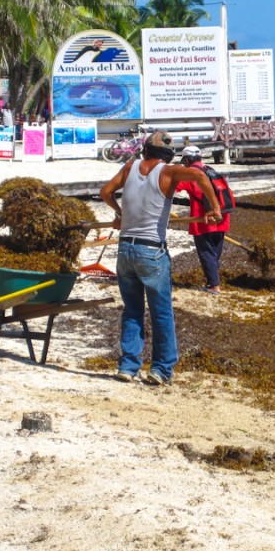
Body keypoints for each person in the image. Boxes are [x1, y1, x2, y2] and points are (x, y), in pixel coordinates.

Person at [100, 131, 223, 386]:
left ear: (145, 150)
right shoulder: (168, 172)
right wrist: (215, 208)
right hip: (151, 251)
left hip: (125, 250)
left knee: (132, 310)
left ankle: (128, 366)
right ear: (168, 155)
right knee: (161, 313)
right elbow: (200, 175)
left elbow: (105, 192)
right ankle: (161, 369)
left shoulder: (130, 166)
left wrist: (120, 213)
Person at [175, 145, 230, 295]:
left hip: (203, 219)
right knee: (214, 252)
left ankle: (214, 285)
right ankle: (213, 279)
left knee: (206, 252)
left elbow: (172, 188)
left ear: (187, 159)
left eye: (184, 161)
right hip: (221, 216)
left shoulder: (190, 174)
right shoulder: (212, 171)